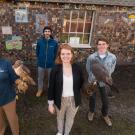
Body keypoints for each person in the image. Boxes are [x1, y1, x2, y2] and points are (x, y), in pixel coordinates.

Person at [48, 44, 84, 135]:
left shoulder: (77, 68)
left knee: (70, 119)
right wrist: (50, 104)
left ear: (72, 54)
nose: (65, 56)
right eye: (63, 54)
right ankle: (60, 132)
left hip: (74, 99)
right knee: (59, 118)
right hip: (60, 99)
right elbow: (51, 87)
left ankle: (66, 133)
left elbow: (82, 83)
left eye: (68, 53)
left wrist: (88, 88)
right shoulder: (55, 69)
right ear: (59, 55)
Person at [86, 37, 116, 126]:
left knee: (105, 99)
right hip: (93, 81)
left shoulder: (113, 57)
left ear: (107, 45)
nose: (101, 46)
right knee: (92, 98)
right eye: (99, 44)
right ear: (97, 46)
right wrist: (94, 78)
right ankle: (91, 112)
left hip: (105, 82)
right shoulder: (91, 57)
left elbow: (112, 70)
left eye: (104, 44)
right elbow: (88, 69)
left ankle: (105, 115)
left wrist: (105, 78)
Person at [36, 26, 58, 97]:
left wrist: (52, 60)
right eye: (46, 31)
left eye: (48, 31)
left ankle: (50, 90)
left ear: (51, 33)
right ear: (43, 33)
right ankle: (40, 90)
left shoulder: (54, 43)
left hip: (50, 64)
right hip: (41, 64)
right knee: (40, 78)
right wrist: (40, 58)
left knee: (50, 78)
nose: (47, 33)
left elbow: (55, 53)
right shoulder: (39, 42)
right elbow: (37, 52)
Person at [0, 58, 19, 135]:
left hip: (8, 98)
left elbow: (14, 78)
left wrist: (19, 82)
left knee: (12, 119)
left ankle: (16, 133)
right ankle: (2, 129)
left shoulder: (6, 63)